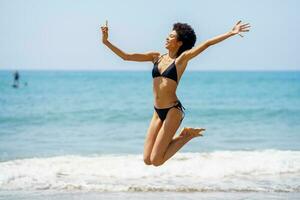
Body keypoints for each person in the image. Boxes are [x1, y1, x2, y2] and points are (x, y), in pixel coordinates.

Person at [100, 20, 250, 166]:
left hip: (173, 110)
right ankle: (183, 135)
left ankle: (187, 136)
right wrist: (106, 42)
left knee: (157, 160)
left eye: (171, 36)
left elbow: (207, 44)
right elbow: (127, 56)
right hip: (157, 112)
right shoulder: (156, 57)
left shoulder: (181, 60)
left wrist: (231, 33)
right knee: (147, 160)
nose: (167, 37)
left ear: (179, 43)